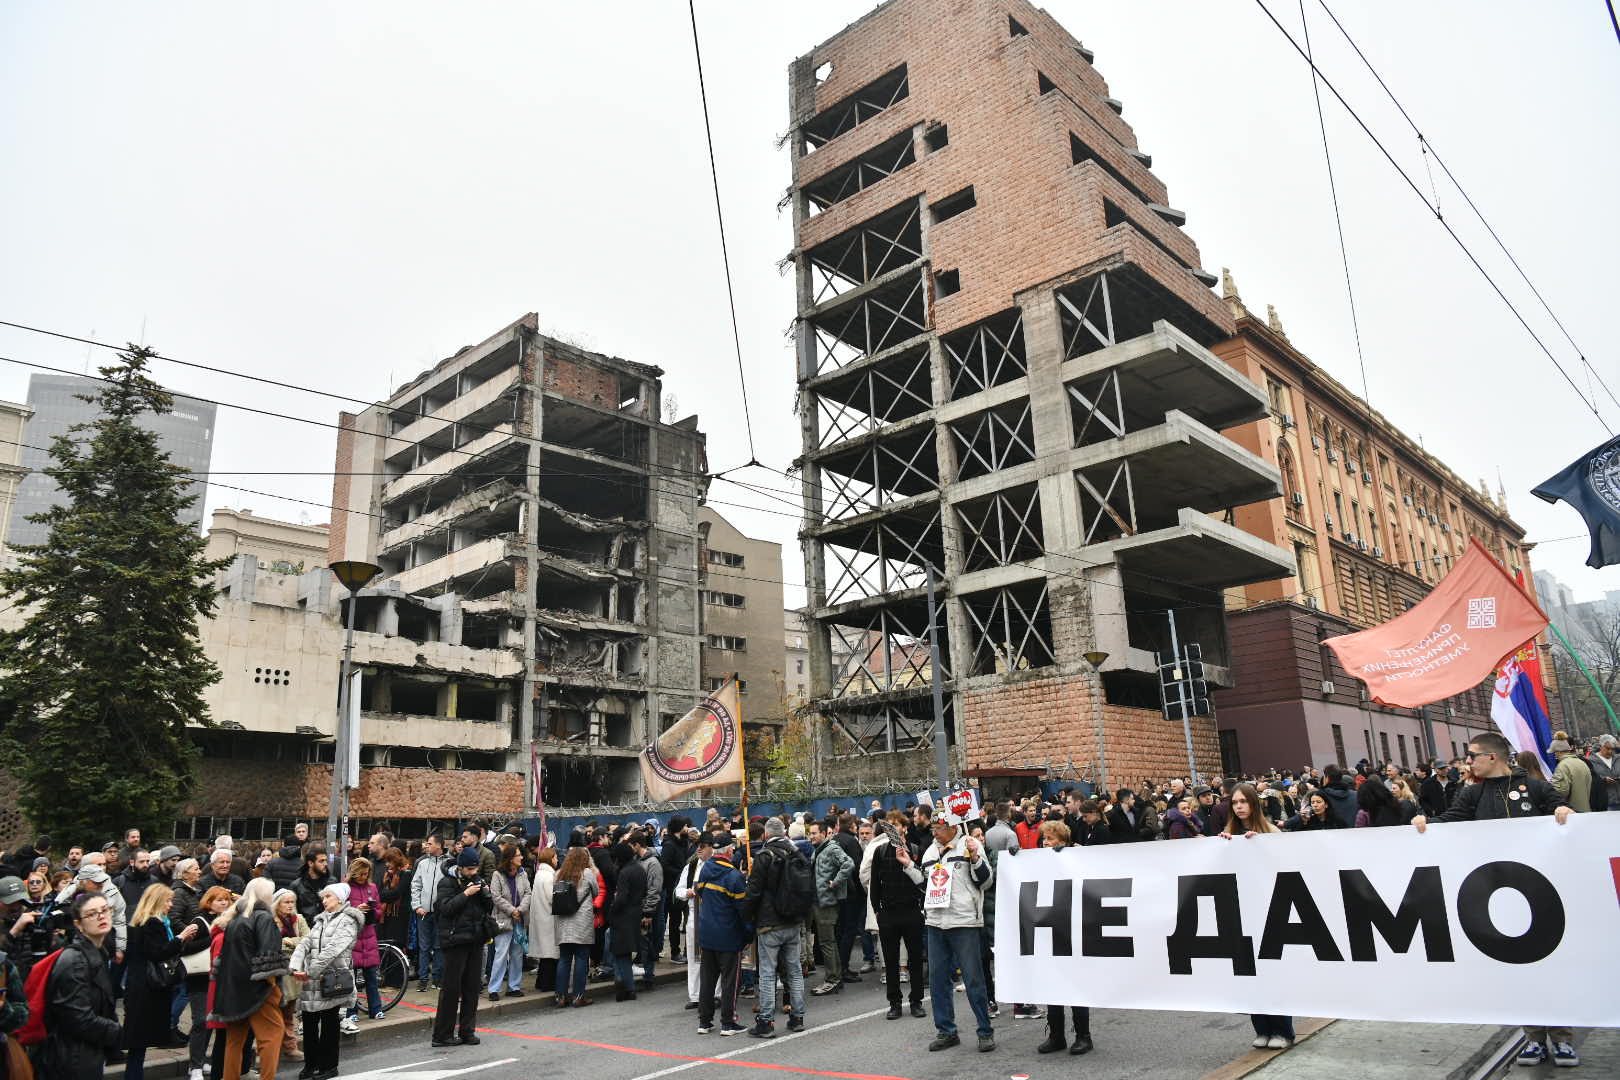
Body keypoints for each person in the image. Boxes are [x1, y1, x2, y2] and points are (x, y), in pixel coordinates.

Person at [1410, 731, 1576, 1066]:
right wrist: (1425, 824)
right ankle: (1532, 1037)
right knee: (1518, 966)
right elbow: (1450, 822)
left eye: (1471, 756)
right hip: (1497, 895)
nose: (1467, 762)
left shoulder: (1537, 788)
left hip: (1542, 892)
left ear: (1492, 757)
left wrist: (1563, 812)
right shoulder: (1472, 795)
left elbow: (1560, 807)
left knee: (1549, 965)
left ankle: (1561, 1037)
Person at [1217, 783, 1292, 1050]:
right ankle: (1261, 1027)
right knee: (1249, 972)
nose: (1238, 806)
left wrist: (1261, 846)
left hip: (1268, 911)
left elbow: (1284, 864)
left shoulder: (1270, 831)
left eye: (1243, 801)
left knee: (1272, 970)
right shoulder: (1228, 833)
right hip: (1241, 912)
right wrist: (1223, 846)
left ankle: (1283, 1030)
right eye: (1234, 802)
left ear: (1253, 803)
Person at [912, 811, 994, 1054]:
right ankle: (946, 1031)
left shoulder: (969, 843)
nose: (934, 832)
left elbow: (986, 881)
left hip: (964, 922)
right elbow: (925, 886)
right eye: (933, 829)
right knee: (938, 981)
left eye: (938, 828)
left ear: (951, 827)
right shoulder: (930, 851)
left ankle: (985, 1030)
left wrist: (976, 857)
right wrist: (908, 866)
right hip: (936, 923)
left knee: (973, 979)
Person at [40, 893, 125, 1079]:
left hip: (87, 1054)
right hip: (70, 1060)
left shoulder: (98, 953)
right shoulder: (75, 961)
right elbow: (78, 1018)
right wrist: (119, 1032)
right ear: (78, 924)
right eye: (92, 914)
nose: (101, 916)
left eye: (104, 910)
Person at [212, 877, 289, 1080]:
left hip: (233, 988)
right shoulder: (263, 918)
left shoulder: (235, 919)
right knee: (272, 1035)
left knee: (234, 1040)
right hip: (259, 990)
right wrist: (273, 987)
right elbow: (268, 956)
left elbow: (225, 959)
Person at [121, 884, 200, 1080]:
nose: (170, 905)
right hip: (147, 990)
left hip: (141, 987)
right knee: (138, 1043)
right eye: (168, 901)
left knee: (138, 1044)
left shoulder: (141, 922)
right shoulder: (153, 923)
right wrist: (181, 938)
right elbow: (158, 953)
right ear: (157, 901)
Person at [1031, 820, 1092, 1056]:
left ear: (1063, 841)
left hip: (1074, 930)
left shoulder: (1076, 859)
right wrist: (1015, 859)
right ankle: (1056, 1035)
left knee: (1076, 984)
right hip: (1049, 930)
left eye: (1051, 839)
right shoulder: (1037, 863)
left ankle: (1083, 1036)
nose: (1046, 843)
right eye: (1044, 839)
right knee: (1052, 983)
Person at [742, 818, 807, 1038]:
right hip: (794, 920)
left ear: (766, 835)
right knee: (794, 970)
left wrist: (746, 916)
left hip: (769, 922)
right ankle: (797, 1017)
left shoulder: (764, 856)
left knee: (768, 974)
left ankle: (766, 1022)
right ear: (785, 832)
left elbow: (753, 892)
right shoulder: (797, 852)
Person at [289, 882, 361, 1080]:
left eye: (328, 896)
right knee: (310, 1023)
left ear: (339, 898)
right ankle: (311, 1064)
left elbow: (334, 949)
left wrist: (310, 970)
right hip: (312, 980)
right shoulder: (320, 920)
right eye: (323, 897)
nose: (324, 900)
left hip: (332, 979)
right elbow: (306, 943)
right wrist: (295, 966)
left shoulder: (348, 920)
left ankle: (329, 1066)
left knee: (330, 1023)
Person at [864, 812, 925, 1020]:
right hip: (889, 913)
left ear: (904, 828)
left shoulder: (915, 850)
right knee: (890, 961)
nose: (893, 828)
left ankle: (916, 1001)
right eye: (890, 825)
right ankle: (895, 1003)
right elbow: (874, 885)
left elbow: (923, 880)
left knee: (915, 959)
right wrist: (878, 911)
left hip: (911, 911)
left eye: (897, 825)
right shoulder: (880, 852)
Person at [430, 847, 493, 1048]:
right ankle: (442, 1035)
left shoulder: (478, 880)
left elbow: (487, 909)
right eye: (469, 869)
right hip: (455, 940)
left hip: (475, 939)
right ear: (460, 866)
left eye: (476, 869)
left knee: (472, 988)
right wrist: (465, 894)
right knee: (451, 989)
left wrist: (485, 895)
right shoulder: (447, 882)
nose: (473, 873)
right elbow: (445, 909)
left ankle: (467, 1031)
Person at [694, 831, 749, 1037]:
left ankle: (704, 1021)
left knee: (707, 980)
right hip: (728, 935)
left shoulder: (705, 869)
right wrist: (748, 935)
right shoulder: (734, 876)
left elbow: (699, 892)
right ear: (729, 851)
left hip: (706, 933)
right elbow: (742, 910)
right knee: (729, 981)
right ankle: (728, 1022)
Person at [807, 820, 854, 996]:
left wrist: (836, 882)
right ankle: (835, 977)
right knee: (828, 941)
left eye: (814, 833)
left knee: (827, 942)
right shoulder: (818, 849)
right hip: (819, 901)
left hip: (826, 902)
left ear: (824, 833)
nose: (811, 836)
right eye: (809, 833)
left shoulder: (832, 848)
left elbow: (848, 864)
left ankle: (833, 979)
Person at [551, 845, 599, 1009]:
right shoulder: (586, 874)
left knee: (564, 959)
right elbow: (596, 892)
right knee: (581, 959)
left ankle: (560, 997)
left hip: (563, 923)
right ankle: (579, 996)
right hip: (581, 923)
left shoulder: (558, 874)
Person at [341, 858, 383, 1033]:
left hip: (369, 935)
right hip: (352, 937)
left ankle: (376, 1009)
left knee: (371, 977)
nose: (363, 877)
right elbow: (340, 911)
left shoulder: (372, 888)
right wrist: (356, 909)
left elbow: (380, 910)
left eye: (366, 874)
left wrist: (373, 910)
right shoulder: (345, 888)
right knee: (352, 979)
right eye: (360, 874)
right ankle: (351, 1011)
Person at [670, 834, 710, 1010]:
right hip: (694, 915)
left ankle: (715, 994)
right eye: (697, 846)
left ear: (711, 848)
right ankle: (695, 996)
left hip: (714, 915)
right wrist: (687, 893)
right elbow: (677, 890)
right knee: (694, 957)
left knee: (713, 957)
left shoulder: (717, 865)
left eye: (702, 846)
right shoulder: (691, 866)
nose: (698, 849)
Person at [269, 890, 308, 1068]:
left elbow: (308, 940)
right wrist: (293, 942)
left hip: (294, 972)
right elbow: (273, 943)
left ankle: (289, 1047)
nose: (290, 905)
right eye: (286, 902)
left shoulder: (298, 919)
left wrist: (289, 942)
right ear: (277, 903)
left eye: (292, 901)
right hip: (277, 972)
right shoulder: (270, 920)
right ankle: (272, 1049)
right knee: (275, 1013)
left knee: (289, 1013)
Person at [488, 844, 530, 1002]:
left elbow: (528, 893)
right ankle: (494, 989)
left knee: (517, 954)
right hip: (503, 921)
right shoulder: (497, 875)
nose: (522, 857)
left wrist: (520, 909)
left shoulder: (522, 874)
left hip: (519, 921)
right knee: (501, 954)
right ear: (510, 858)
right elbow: (496, 897)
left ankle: (514, 986)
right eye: (518, 855)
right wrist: (513, 910)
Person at [605, 842, 645, 1001]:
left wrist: (612, 910)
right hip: (635, 914)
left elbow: (621, 898)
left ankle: (626, 987)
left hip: (622, 917)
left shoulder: (624, 872)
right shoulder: (640, 869)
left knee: (620, 954)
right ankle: (627, 987)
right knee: (625, 954)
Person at [410, 834, 446, 992]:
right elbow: (415, 885)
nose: (426, 846)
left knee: (439, 946)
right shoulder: (422, 863)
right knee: (424, 947)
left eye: (430, 843)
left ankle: (437, 978)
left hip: (441, 913)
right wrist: (417, 905)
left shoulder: (448, 864)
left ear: (439, 845)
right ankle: (423, 979)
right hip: (423, 912)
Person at [630, 832, 664, 992]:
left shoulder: (653, 863)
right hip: (637, 908)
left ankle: (649, 977)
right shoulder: (637, 861)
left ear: (637, 845)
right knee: (643, 943)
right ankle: (647, 975)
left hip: (646, 911)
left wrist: (648, 913)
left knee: (646, 944)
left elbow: (654, 889)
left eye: (631, 845)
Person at [524, 847, 559, 994]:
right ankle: (548, 984)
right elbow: (553, 898)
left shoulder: (540, 874)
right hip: (549, 919)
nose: (557, 860)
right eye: (555, 857)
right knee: (550, 955)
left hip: (541, 918)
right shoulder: (549, 877)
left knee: (545, 955)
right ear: (550, 858)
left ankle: (541, 982)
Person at [375, 848, 412, 953]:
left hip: (399, 915)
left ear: (396, 861)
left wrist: (381, 896)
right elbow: (381, 892)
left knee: (395, 945)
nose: (387, 864)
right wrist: (383, 895)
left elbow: (396, 894)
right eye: (386, 861)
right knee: (384, 944)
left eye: (390, 861)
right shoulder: (387, 875)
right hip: (386, 915)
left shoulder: (406, 874)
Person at [1547, 732, 1593, 813]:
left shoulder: (1563, 766)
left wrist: (1548, 787)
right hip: (1585, 810)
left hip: (1571, 813)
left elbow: (1560, 792)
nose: (1555, 755)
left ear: (1558, 751)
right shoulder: (1581, 762)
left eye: (1554, 752)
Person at [291, 847, 330, 927]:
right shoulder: (297, 885)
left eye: (326, 860)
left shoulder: (331, 882)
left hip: (327, 930)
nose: (325, 864)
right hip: (307, 930)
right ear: (310, 863)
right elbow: (294, 912)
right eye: (321, 861)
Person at [1590, 734, 1620, 810]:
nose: (1610, 751)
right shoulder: (1591, 761)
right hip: (1606, 803)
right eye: (1607, 748)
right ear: (1601, 746)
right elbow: (1590, 782)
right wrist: (1603, 781)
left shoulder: (1618, 758)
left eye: (1612, 749)